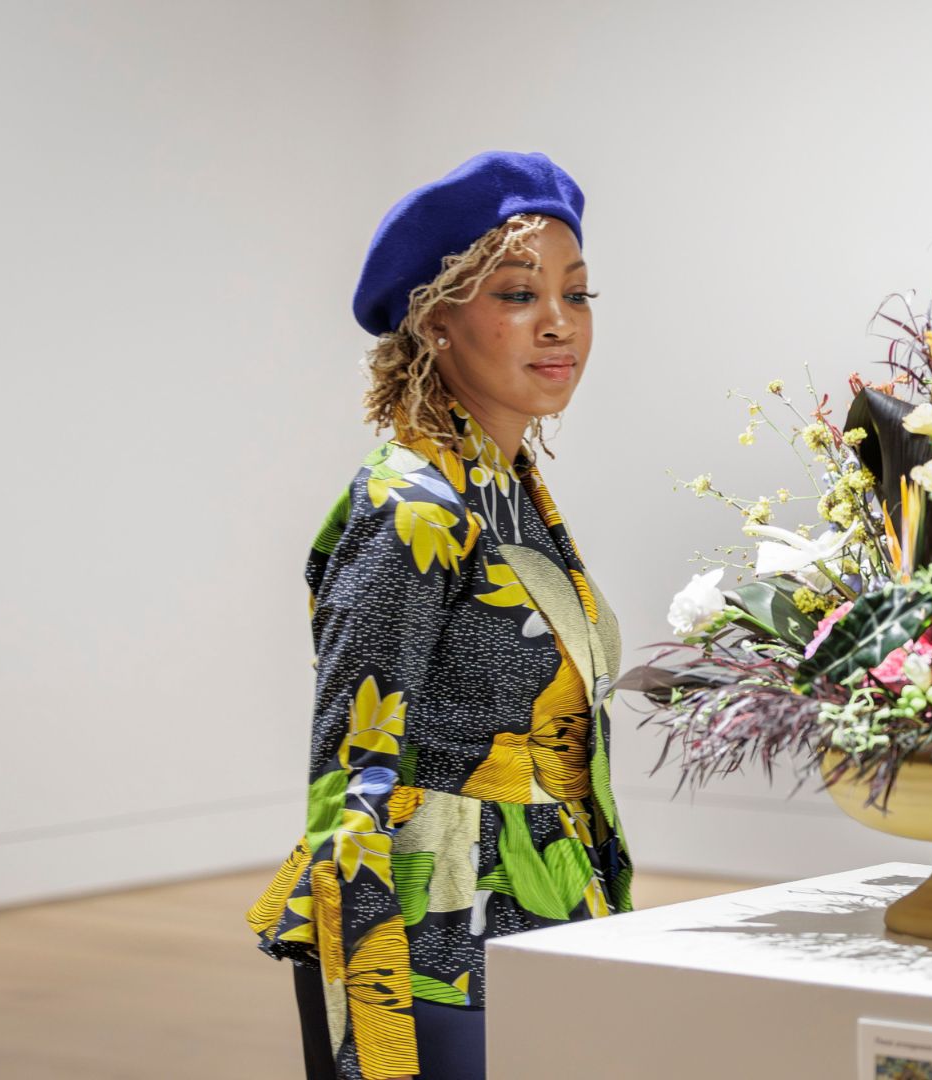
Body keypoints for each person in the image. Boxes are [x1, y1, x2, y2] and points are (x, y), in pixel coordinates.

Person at [244, 150, 634, 1080]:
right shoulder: (411, 507)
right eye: (515, 294)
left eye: (577, 296)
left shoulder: (509, 487)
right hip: (438, 936)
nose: (558, 325)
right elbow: (351, 774)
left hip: (544, 897)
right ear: (434, 320)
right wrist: (369, 1030)